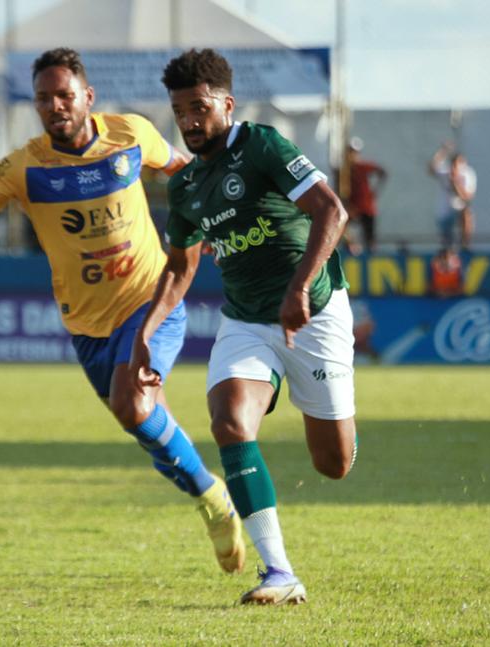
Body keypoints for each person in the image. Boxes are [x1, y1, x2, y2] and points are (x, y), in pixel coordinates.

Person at [0, 48, 245, 575]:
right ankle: (204, 491)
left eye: (64, 95)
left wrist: (212, 222)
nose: (54, 106)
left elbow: (186, 170)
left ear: (87, 98)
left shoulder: (130, 135)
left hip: (151, 298)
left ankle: (215, 498)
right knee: (144, 422)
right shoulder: (21, 168)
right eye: (43, 99)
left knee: (132, 406)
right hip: (86, 323)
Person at [132, 48, 357, 606]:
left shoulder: (260, 145)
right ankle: (279, 573)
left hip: (316, 313)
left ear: (226, 104)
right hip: (247, 322)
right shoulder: (184, 188)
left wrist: (299, 289)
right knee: (229, 421)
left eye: (199, 108)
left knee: (333, 465)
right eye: (179, 110)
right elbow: (182, 267)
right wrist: (146, 332)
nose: (188, 120)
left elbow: (332, 210)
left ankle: (314, 403)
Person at [428, 143, 476, 250]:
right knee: (446, 239)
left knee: (466, 213)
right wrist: (443, 151)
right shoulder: (446, 172)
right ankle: (447, 250)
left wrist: (455, 183)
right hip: (445, 212)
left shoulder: (467, 174)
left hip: (458, 211)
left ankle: (465, 245)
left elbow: (467, 197)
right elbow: (431, 168)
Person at [344, 137, 387, 253]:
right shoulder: (345, 169)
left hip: (366, 206)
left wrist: (375, 191)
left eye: (354, 152)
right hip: (353, 206)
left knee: (370, 236)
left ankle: (370, 253)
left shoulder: (362, 166)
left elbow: (382, 172)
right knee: (342, 226)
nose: (352, 155)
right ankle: (353, 247)